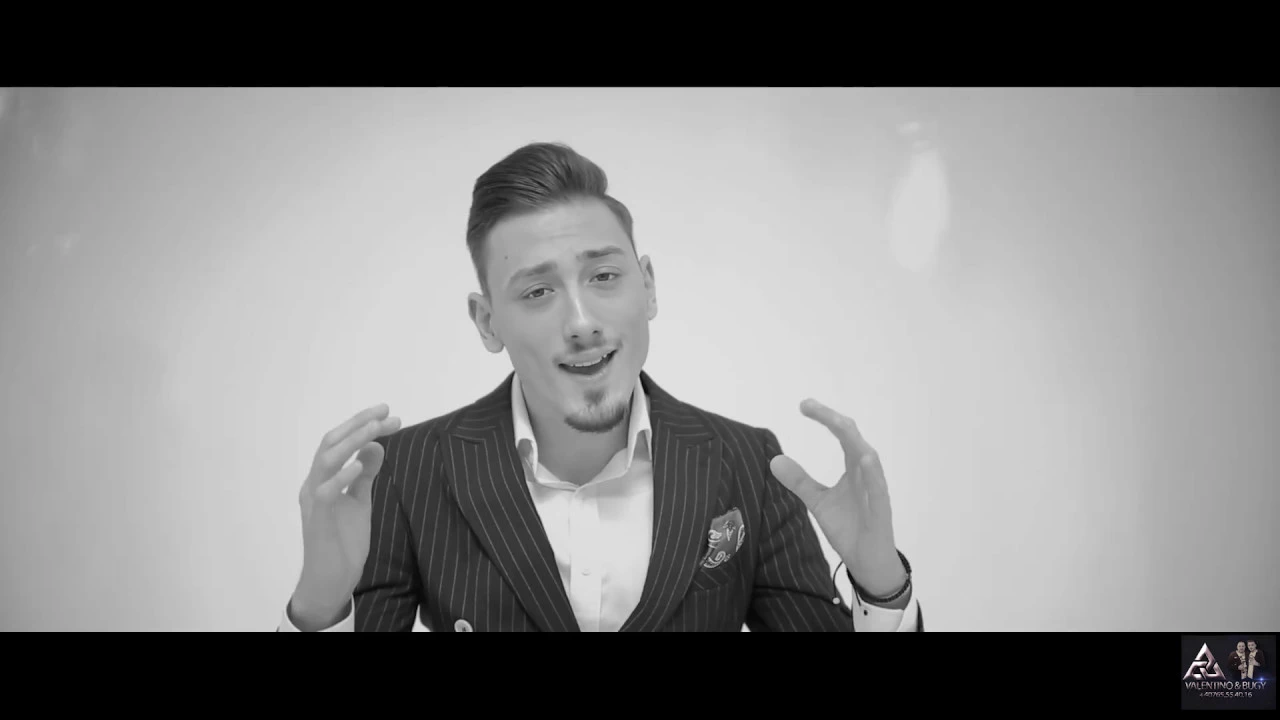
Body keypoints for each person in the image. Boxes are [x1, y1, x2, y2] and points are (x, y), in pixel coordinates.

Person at [279, 142, 925, 632]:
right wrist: (319, 607)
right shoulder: (408, 471)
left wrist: (881, 587)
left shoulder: (750, 465)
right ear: (487, 322)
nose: (582, 322)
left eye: (604, 277)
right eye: (538, 291)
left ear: (649, 286)